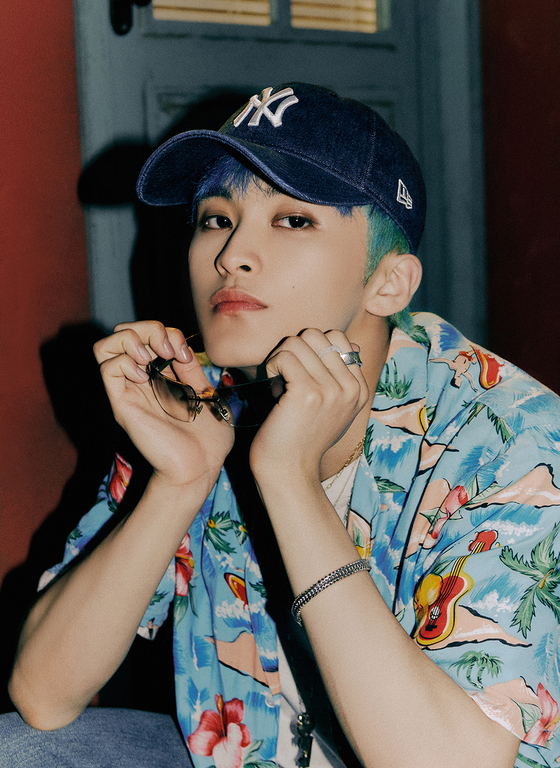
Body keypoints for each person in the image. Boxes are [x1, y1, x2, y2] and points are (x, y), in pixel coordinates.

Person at [8, 83, 560, 768]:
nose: (231, 254)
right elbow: (43, 695)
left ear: (387, 282)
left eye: (292, 220)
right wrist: (179, 481)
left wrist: (288, 478)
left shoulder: (514, 441)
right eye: (215, 218)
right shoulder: (198, 401)